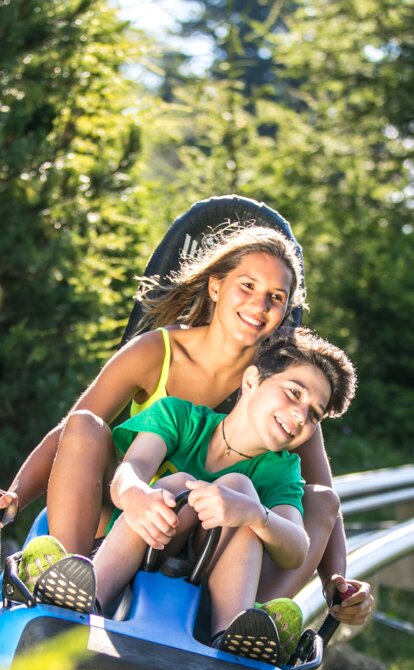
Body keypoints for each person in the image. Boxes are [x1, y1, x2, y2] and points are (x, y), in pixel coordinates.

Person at [0, 223, 373, 622]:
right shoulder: (159, 353)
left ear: (284, 313)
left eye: (275, 298)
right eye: (247, 286)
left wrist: (337, 579)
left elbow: (319, 505)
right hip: (129, 510)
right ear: (216, 287)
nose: (259, 305)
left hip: (214, 536)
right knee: (86, 424)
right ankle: (73, 575)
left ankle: (254, 618)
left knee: (309, 498)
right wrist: (16, 497)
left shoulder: (279, 388)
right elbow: (73, 432)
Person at [17, 327, 357, 665]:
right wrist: (136, 494)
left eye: (314, 414)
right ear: (252, 381)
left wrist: (255, 513)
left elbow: (298, 546)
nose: (300, 415)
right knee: (179, 483)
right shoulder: (179, 417)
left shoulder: (281, 470)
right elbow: (130, 470)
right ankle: (91, 598)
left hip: (211, 574)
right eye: (293, 394)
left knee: (239, 489)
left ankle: (234, 634)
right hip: (153, 537)